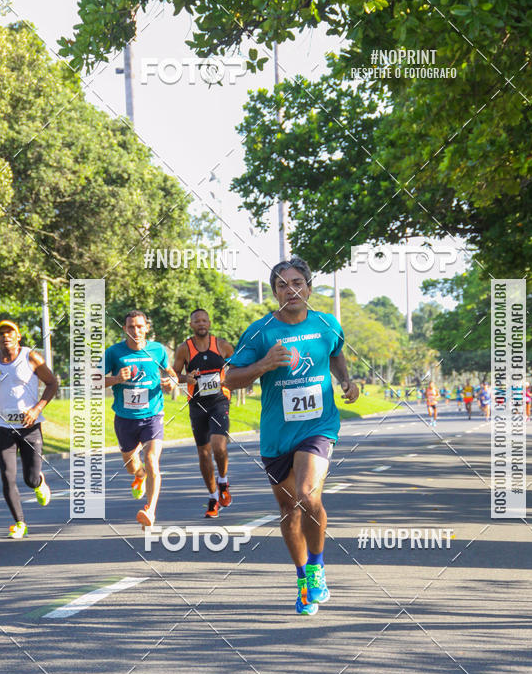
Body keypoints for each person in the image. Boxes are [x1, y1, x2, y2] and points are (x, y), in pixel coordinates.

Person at [225, 256, 359, 616]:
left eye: (297, 282)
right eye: (283, 285)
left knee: (306, 496)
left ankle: (316, 567)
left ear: (309, 288)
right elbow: (230, 378)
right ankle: (302, 578)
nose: (291, 290)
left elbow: (335, 353)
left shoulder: (327, 324)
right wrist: (264, 365)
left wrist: (345, 380)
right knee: (288, 509)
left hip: (318, 427)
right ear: (274, 293)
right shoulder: (260, 332)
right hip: (276, 436)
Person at [103, 310, 178, 527]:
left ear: (146, 327)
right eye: (131, 327)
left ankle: (150, 511)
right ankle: (139, 475)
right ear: (125, 329)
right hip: (125, 418)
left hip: (152, 415)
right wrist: (116, 378)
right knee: (131, 466)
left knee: (152, 460)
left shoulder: (157, 350)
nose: (135, 331)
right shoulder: (114, 353)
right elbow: (94, 381)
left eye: (139, 326)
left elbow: (171, 372)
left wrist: (171, 382)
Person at [173, 308, 235, 518]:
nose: (201, 324)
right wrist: (185, 379)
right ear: (191, 325)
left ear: (209, 323)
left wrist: (231, 378)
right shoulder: (184, 349)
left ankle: (223, 481)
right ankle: (213, 497)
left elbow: (238, 366)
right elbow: (175, 374)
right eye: (196, 321)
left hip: (219, 401)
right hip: (197, 404)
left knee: (218, 446)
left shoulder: (222, 345)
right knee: (204, 453)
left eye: (204, 320)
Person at [0, 319, 57, 538]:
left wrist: (36, 409)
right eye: (2, 333)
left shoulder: (31, 357)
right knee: (6, 475)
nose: (6, 336)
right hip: (3, 427)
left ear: (18, 336)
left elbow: (52, 383)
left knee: (29, 479)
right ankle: (19, 523)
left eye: (10, 332)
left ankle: (39, 481)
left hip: (29, 427)